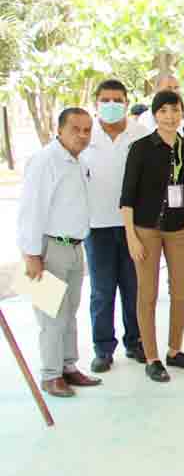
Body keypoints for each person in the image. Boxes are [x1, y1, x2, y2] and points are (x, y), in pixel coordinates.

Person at [17, 107, 103, 397]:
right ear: (60, 130)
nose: (82, 135)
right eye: (75, 129)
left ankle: (68, 366)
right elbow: (31, 209)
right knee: (51, 315)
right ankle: (51, 375)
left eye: (87, 130)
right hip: (48, 248)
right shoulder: (45, 161)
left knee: (69, 313)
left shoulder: (79, 161)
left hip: (75, 247)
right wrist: (31, 255)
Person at [120, 90, 184, 382]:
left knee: (180, 292)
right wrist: (131, 236)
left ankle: (174, 350)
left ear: (182, 114)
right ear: (155, 115)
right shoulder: (140, 148)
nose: (170, 116)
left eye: (175, 110)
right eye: (163, 111)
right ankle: (152, 357)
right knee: (148, 294)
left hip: (179, 229)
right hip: (146, 230)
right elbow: (127, 197)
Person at [80, 79, 149, 373]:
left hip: (134, 227)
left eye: (117, 100)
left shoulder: (140, 134)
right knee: (102, 291)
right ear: (96, 103)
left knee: (134, 289)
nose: (111, 105)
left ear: (126, 102)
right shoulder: (85, 135)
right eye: (105, 100)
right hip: (96, 227)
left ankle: (136, 342)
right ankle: (103, 349)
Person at [140, 73, 184, 301]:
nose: (173, 91)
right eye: (168, 87)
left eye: (176, 87)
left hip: (181, 201)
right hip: (152, 206)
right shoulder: (143, 123)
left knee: (180, 256)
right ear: (156, 90)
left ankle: (179, 286)